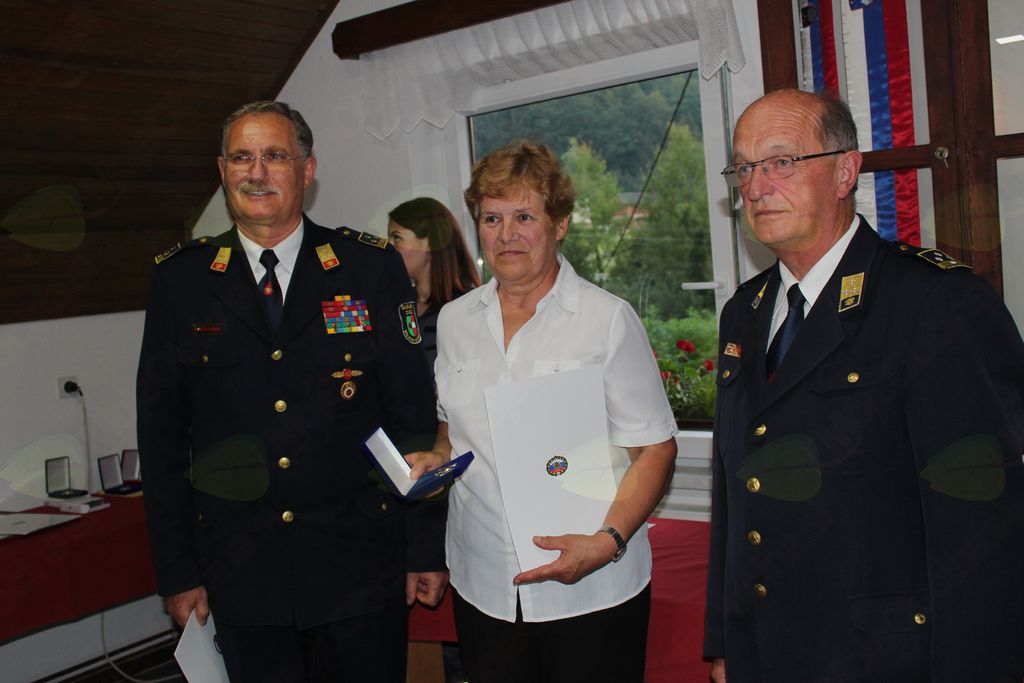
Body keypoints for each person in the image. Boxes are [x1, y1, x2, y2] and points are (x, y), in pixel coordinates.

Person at [704, 88, 1024, 682]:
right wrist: (727, 640)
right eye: (743, 168)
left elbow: (985, 520)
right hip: (768, 648)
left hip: (885, 656)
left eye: (780, 162)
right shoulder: (744, 312)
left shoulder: (934, 301)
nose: (755, 186)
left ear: (845, 171)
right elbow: (735, 490)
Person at [136, 100, 447, 683]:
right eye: (242, 158)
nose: (257, 172)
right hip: (241, 572)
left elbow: (412, 419)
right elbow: (161, 442)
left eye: (275, 156)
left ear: (307, 170)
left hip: (359, 564)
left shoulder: (368, 268)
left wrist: (424, 548)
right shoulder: (181, 280)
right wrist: (177, 571)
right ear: (222, 171)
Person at [407, 140, 678, 683]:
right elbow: (451, 425)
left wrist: (607, 543)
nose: (506, 234)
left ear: (560, 225)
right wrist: (436, 456)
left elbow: (655, 449)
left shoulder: (606, 319)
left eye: (524, 216)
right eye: (492, 218)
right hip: (484, 585)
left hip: (592, 589)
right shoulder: (455, 321)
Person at [387, 197, 480, 368]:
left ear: (430, 242)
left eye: (396, 237)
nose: (388, 247)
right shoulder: (396, 305)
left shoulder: (470, 307)